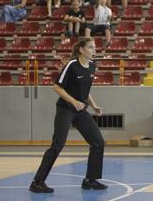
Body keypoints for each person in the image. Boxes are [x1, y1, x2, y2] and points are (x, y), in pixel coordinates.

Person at [30, 38, 106, 193]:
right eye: (91, 47)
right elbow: (57, 87)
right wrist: (73, 101)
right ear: (81, 50)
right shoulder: (72, 65)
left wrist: (94, 105)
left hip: (80, 110)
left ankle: (90, 180)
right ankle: (37, 183)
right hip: (66, 109)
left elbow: (86, 90)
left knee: (98, 142)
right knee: (58, 144)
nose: (94, 50)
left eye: (95, 47)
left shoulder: (92, 66)